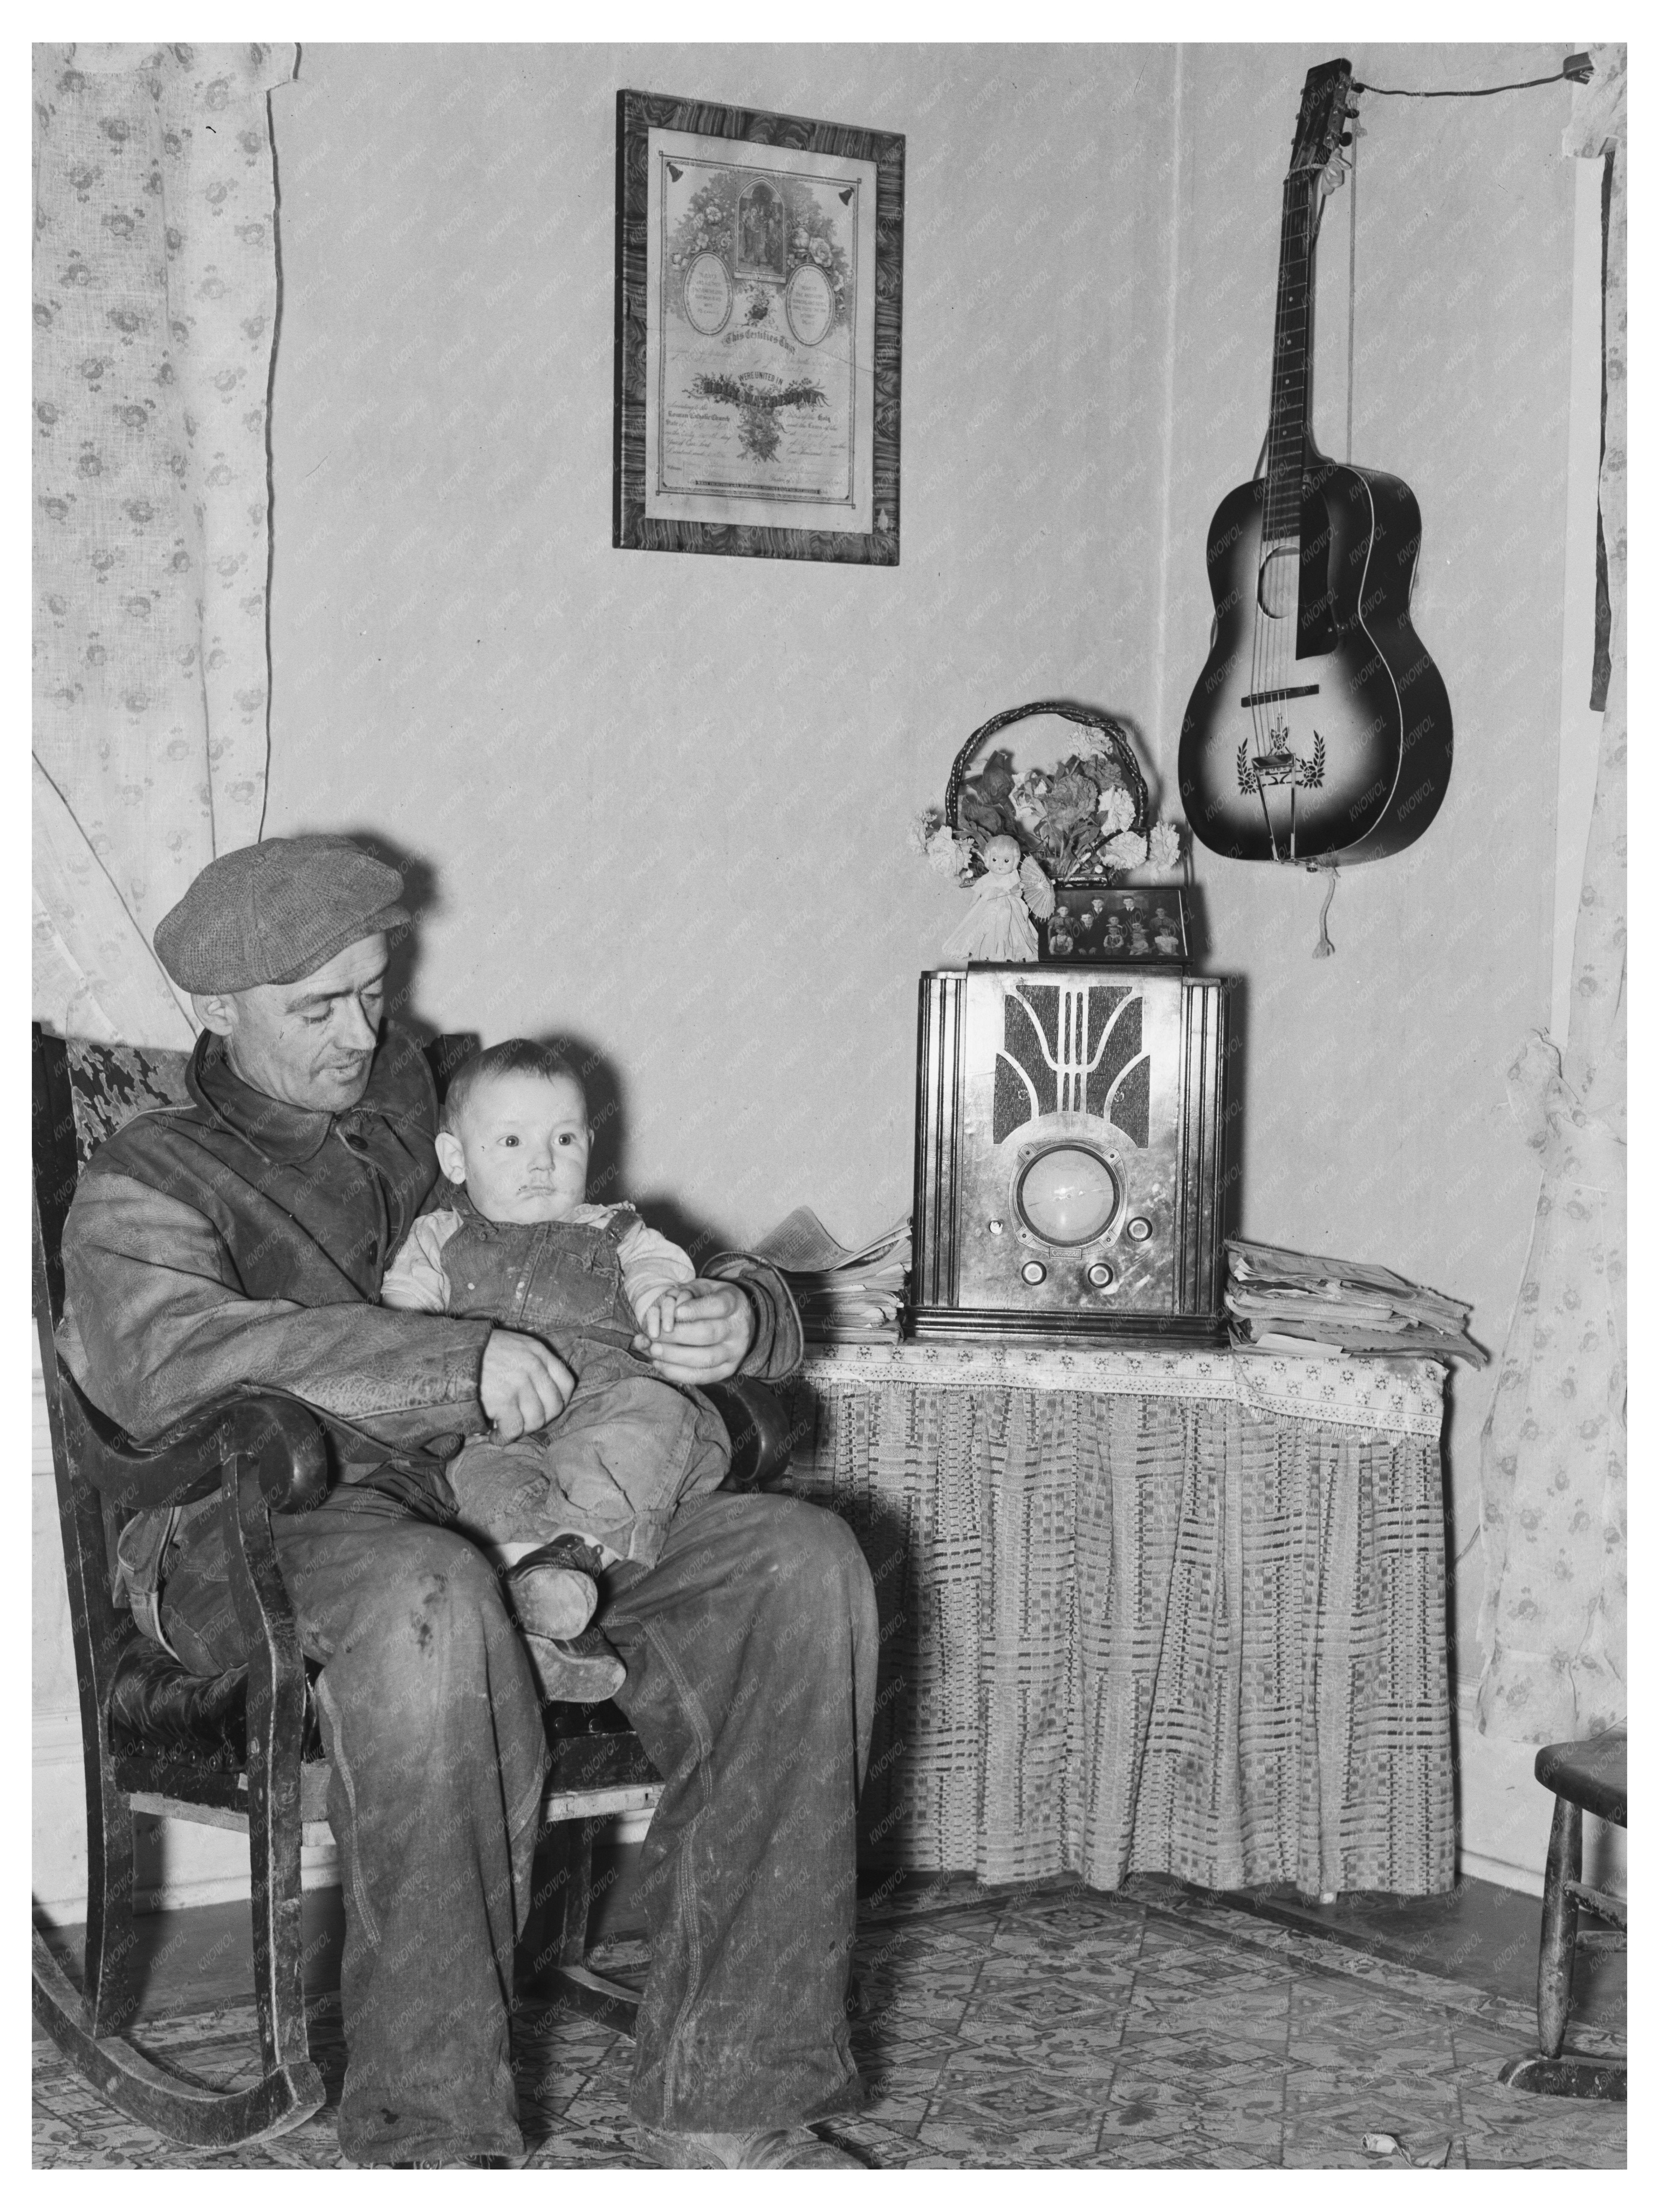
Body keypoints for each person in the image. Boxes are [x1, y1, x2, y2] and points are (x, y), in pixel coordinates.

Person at [58, 834, 877, 2170]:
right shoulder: (150, 1174)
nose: (359, 1031)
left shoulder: (422, 1104)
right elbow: (170, 1365)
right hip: (260, 1534)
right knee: (428, 1594)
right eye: (313, 1008)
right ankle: (435, 2139)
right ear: (215, 1009)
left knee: (802, 1562)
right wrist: (446, 1359)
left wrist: (742, 1313)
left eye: (372, 990)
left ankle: (729, 2093)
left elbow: (592, 1229)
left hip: (514, 1500)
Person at [380, 1037, 733, 1703]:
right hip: (492, 1427)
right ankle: (543, 1619)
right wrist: (425, 1342)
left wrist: (663, 1301)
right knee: (479, 1491)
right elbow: (400, 1324)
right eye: (511, 1142)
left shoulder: (613, 1228)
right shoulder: (436, 1235)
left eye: (565, 1139)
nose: (543, 1162)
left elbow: (663, 1269)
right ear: (455, 1159)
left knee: (657, 1417)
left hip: (603, 1402)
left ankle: (570, 1558)